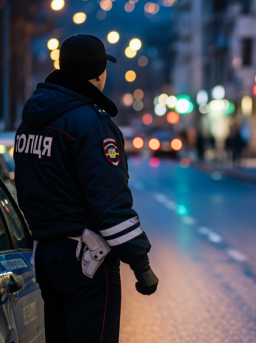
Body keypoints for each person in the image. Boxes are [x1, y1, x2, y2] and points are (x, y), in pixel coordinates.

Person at [14, 34, 158, 343]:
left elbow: (25, 190)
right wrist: (140, 262)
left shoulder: (31, 122)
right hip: (86, 262)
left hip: (46, 257)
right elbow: (110, 204)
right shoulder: (92, 124)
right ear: (99, 73)